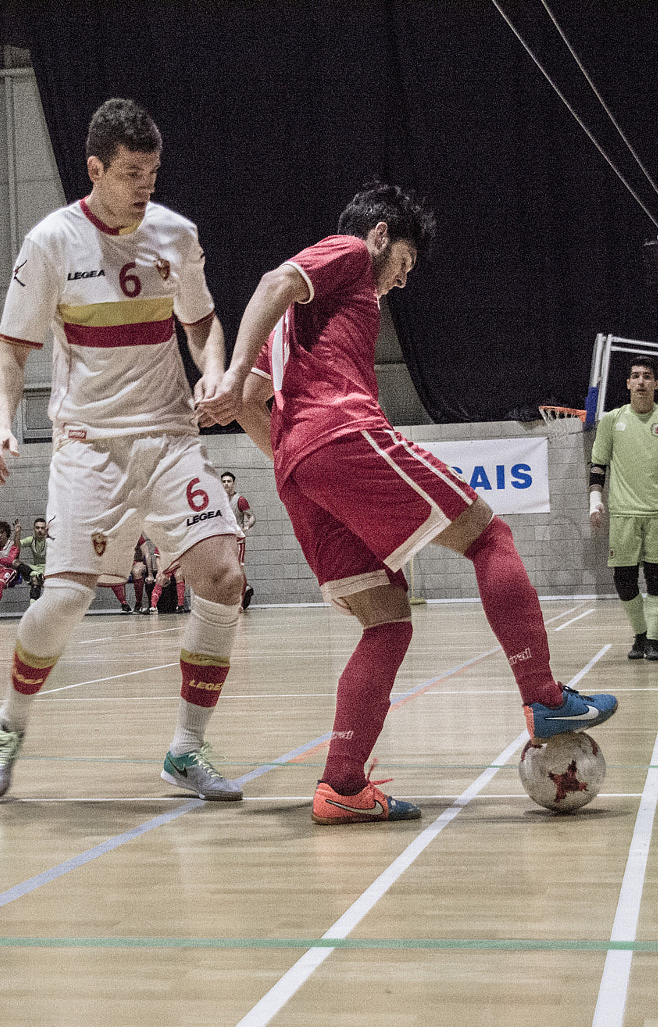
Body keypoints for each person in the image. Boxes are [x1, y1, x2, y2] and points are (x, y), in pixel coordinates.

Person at [218, 182, 617, 824]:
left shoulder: (290, 331)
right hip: (344, 431)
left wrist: (303, 465)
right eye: (404, 262)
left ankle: (342, 788)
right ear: (380, 235)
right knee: (491, 538)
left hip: (298, 468)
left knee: (387, 623)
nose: (402, 281)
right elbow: (270, 283)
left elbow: (247, 408)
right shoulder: (348, 250)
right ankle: (543, 696)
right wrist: (235, 371)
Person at [0, 97, 248, 802]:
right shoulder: (50, 242)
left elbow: (203, 324)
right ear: (95, 168)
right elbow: (8, 355)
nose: (145, 185)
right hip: (89, 446)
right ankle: (9, 722)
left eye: (153, 171)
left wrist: (213, 370)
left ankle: (186, 750)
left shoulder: (176, 235)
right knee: (65, 599)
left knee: (222, 574)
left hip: (166, 435)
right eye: (131, 173)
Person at [588, 356, 658, 661]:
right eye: (635, 376)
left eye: (647, 376)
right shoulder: (612, 420)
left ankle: (653, 639)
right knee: (623, 579)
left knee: (657, 576)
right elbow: (598, 466)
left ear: (656, 384)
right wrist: (595, 501)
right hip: (624, 513)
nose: (640, 381)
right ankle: (639, 634)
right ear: (627, 383)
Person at [221, 470, 256, 610]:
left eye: (229, 481)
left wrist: (247, 526)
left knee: (239, 570)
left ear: (233, 483)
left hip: (238, 540)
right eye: (223, 481)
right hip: (224, 541)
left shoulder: (240, 500)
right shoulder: (218, 500)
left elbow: (251, 516)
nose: (226, 484)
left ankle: (240, 604)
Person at [14, 517, 50, 600]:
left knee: (35, 581)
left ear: (46, 529)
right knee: (15, 562)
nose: (40, 530)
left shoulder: (50, 541)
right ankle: (34, 574)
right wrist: (17, 533)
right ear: (34, 529)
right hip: (35, 568)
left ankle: (35, 575)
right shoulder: (31, 540)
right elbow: (16, 546)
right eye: (37, 528)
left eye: (42, 528)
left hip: (48, 568)